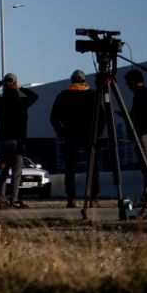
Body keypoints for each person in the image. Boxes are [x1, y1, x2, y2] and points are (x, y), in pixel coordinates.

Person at [0, 73, 39, 207]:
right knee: (17, 172)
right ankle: (14, 199)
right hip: (18, 142)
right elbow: (35, 96)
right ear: (15, 85)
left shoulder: (0, 102)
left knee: (4, 171)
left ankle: (1, 200)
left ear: (4, 86)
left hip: (3, 141)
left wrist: (1, 82)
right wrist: (20, 87)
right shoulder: (22, 102)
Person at [50, 69, 97, 208]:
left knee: (70, 168)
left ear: (72, 81)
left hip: (71, 134)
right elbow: (102, 116)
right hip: (89, 134)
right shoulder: (93, 95)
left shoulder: (64, 96)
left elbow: (54, 118)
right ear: (84, 80)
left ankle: (71, 198)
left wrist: (62, 132)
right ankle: (93, 198)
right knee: (92, 166)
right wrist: (97, 132)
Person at [124, 68, 147, 208]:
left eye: (128, 83)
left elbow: (145, 116)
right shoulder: (144, 93)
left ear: (133, 82)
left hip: (144, 134)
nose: (128, 87)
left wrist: (136, 128)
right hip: (144, 133)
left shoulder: (142, 94)